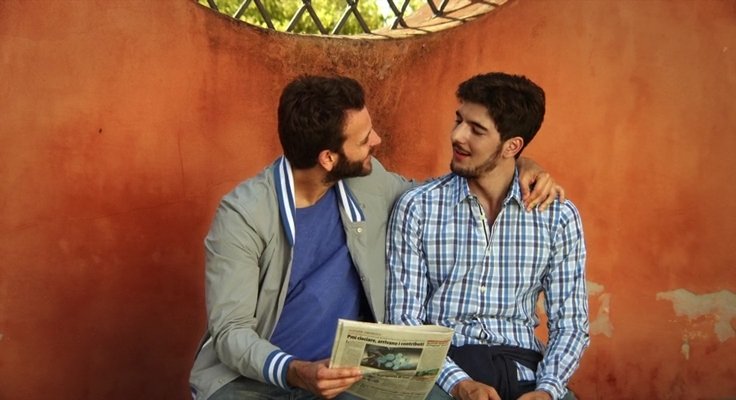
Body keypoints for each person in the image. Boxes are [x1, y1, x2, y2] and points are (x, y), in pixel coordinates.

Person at [189, 74, 563, 400]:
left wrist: (516, 163)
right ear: (328, 158)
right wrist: (296, 371)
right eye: (365, 138)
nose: (377, 140)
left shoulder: (368, 182)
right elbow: (231, 332)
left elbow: (438, 197)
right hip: (253, 382)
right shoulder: (242, 214)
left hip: (353, 379)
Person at [386, 72, 589, 400]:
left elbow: (571, 323)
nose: (457, 136)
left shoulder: (558, 217)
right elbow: (404, 320)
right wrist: (458, 384)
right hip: (442, 367)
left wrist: (548, 390)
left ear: (512, 146)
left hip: (524, 366)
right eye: (459, 121)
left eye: (476, 130)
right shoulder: (418, 207)